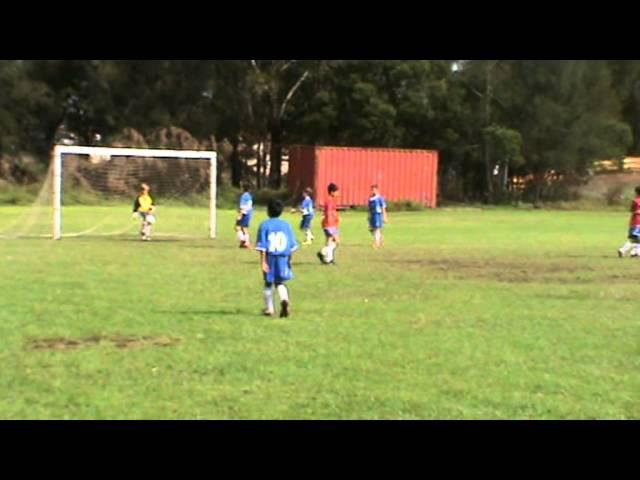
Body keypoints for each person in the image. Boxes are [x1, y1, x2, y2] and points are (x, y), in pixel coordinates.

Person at [255, 199, 299, 317]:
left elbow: (263, 246)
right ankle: (284, 299)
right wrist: (289, 260)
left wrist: (263, 262)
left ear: (268, 211)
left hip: (271, 257)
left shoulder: (264, 225)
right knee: (280, 282)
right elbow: (291, 246)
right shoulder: (286, 225)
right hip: (283, 257)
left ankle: (269, 309)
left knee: (268, 283)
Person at [317, 183, 340, 265]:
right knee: (336, 241)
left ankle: (329, 259)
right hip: (330, 225)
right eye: (337, 192)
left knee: (329, 242)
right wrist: (330, 225)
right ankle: (322, 252)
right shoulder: (329, 201)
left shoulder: (331, 200)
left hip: (331, 224)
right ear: (332, 192)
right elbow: (328, 213)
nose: (338, 193)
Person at [618, 185, 640, 257]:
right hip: (638, 223)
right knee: (634, 239)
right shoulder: (636, 201)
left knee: (635, 239)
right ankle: (623, 249)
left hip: (633, 222)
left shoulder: (635, 201)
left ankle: (635, 253)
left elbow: (631, 210)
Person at [368, 184, 389, 248]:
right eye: (372, 190)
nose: (373, 191)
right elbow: (369, 208)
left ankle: (376, 243)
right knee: (372, 229)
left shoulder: (380, 198)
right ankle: (381, 240)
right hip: (372, 215)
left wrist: (385, 216)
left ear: (377, 190)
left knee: (377, 228)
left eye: (374, 190)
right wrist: (369, 216)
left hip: (378, 214)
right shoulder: (370, 198)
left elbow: (383, 207)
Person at [235, 184, 254, 248]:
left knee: (237, 227)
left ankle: (244, 241)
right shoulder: (249, 196)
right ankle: (245, 243)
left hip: (244, 213)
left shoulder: (244, 196)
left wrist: (240, 215)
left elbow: (243, 206)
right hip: (249, 213)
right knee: (244, 228)